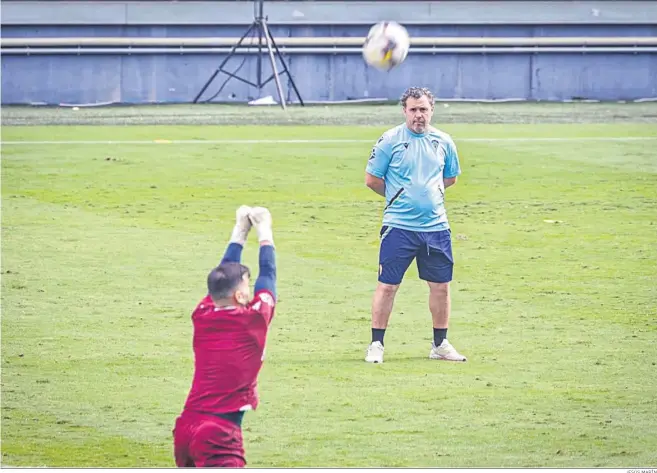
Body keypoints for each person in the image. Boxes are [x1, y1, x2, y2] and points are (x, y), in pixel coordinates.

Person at [363, 86, 467, 364]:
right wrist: (401, 198)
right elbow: (372, 179)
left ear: (432, 110)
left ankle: (440, 344)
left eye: (423, 109)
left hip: (436, 227)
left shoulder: (444, 141)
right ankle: (376, 345)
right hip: (399, 226)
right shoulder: (390, 140)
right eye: (413, 110)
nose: (418, 115)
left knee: (441, 286)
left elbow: (451, 177)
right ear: (404, 111)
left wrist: (428, 196)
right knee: (387, 286)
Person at [173, 205, 277, 468]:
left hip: (186, 427)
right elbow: (269, 276)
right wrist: (264, 230)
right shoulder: (253, 318)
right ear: (239, 296)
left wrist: (240, 231)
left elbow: (220, 276)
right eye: (246, 284)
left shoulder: (203, 313)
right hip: (217, 434)